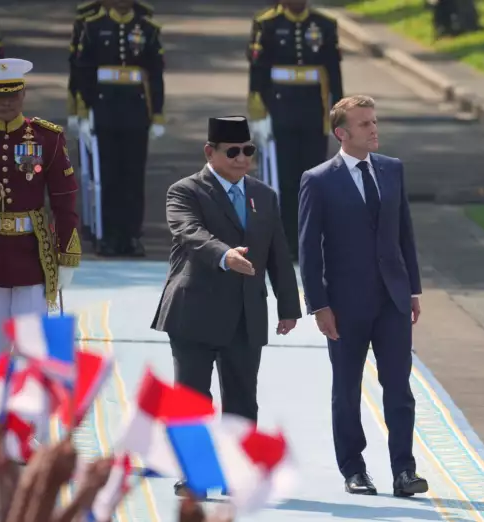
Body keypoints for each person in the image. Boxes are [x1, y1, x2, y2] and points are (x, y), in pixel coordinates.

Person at [151, 116, 302, 495]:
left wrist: (288, 306)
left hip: (245, 315)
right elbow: (189, 233)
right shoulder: (184, 191)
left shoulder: (264, 195)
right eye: (232, 151)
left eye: (247, 151)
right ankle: (195, 474)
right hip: (194, 312)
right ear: (210, 152)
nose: (241, 158)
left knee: (241, 400)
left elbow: (278, 254)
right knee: (192, 399)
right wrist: (225, 255)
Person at [298, 95, 428, 498]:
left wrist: (413, 290)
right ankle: (354, 470)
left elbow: (403, 231)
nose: (374, 129)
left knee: (399, 388)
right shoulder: (318, 179)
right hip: (344, 305)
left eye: (374, 121)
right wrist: (319, 305)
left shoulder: (392, 169)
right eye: (365, 124)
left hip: (392, 299)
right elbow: (307, 248)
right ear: (342, 133)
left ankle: (404, 471)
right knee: (347, 389)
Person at [247, 0, 344, 258]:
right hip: (280, 110)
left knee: (313, 178)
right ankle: (286, 241)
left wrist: (340, 112)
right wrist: (259, 113)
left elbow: (334, 71)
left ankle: (310, 241)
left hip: (314, 111)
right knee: (285, 180)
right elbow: (258, 71)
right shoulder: (266, 24)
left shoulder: (324, 24)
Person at [0, 58, 81, 351]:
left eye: (11, 95)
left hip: (32, 253)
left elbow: (64, 198)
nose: (5, 103)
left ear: (22, 95)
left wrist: (66, 253)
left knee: (29, 344)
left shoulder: (47, 138)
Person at [75, 0, 165, 257]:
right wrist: (83, 110)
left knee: (133, 177)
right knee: (108, 175)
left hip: (136, 111)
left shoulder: (148, 28)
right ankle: (109, 235)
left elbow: (156, 73)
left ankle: (132, 235)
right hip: (104, 109)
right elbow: (83, 71)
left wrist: (157, 113)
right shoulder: (93, 27)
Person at [67, 0, 154, 134]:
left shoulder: (141, 17)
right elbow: (78, 68)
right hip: (96, 99)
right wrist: (76, 110)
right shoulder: (87, 18)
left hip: (132, 101)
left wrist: (155, 113)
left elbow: (152, 70)